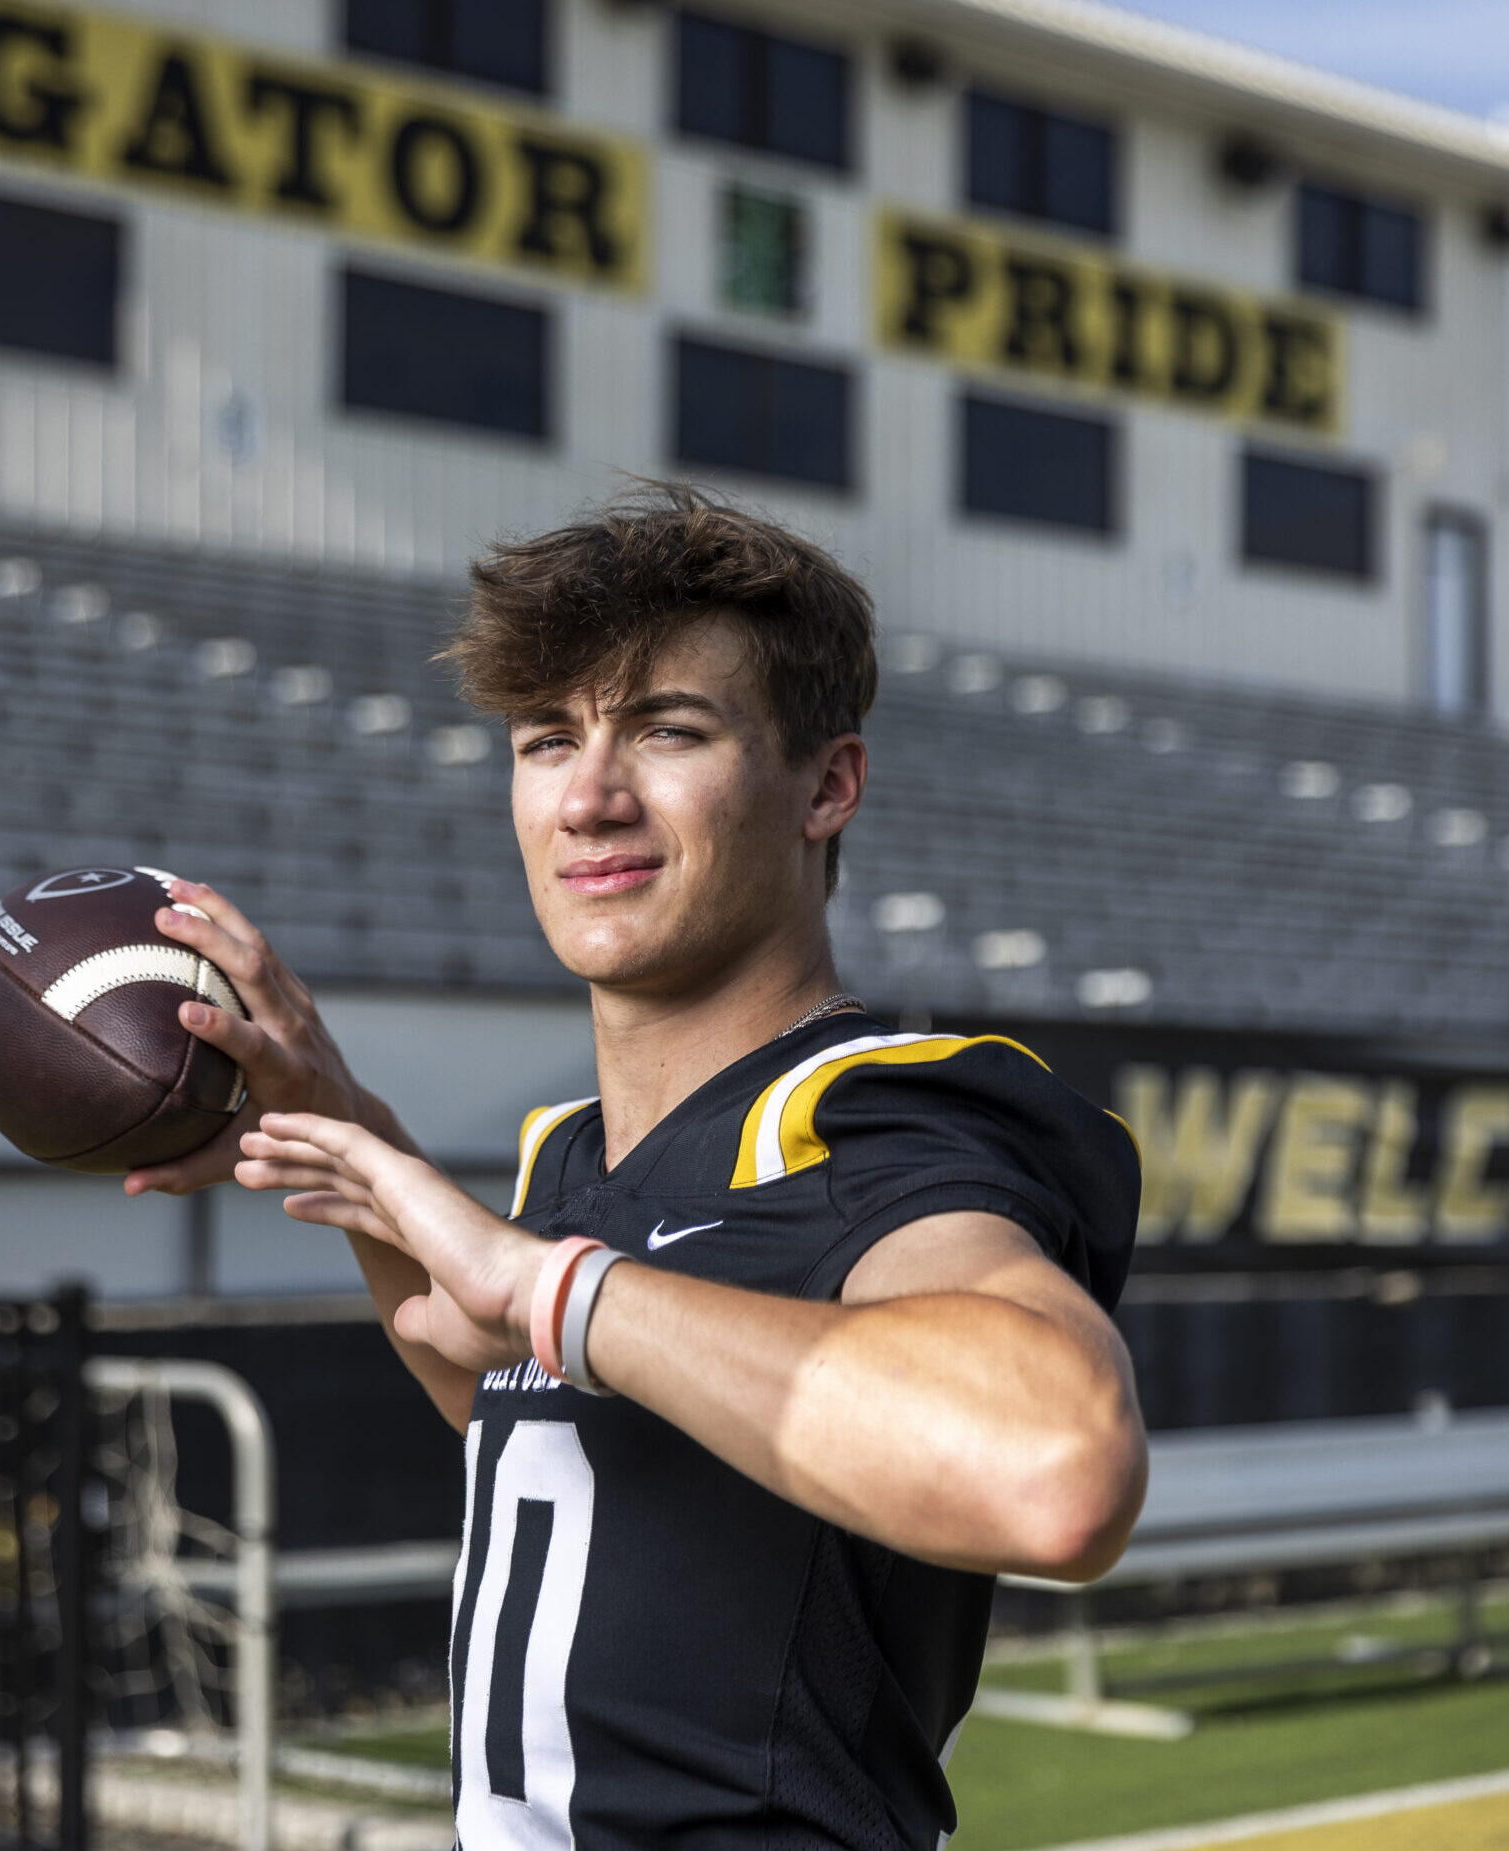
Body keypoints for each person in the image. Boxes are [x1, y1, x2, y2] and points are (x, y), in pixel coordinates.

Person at [126, 486, 1147, 1849]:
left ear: (827, 786)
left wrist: (545, 1285)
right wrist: (343, 1127)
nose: (590, 799)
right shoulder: (579, 1151)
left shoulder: (871, 1117)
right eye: (548, 740)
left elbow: (1056, 1471)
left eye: (668, 730)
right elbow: (545, 1417)